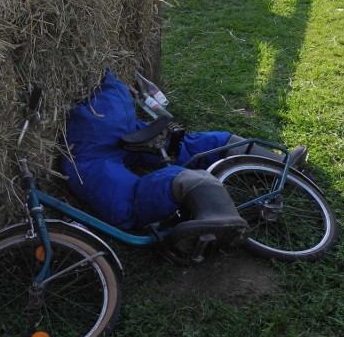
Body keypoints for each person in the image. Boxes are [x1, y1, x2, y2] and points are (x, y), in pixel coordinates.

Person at [61, 71, 307, 245]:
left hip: (92, 135)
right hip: (115, 105)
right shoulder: (94, 65)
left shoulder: (85, 155)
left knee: (129, 199)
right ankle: (277, 162)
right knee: (186, 145)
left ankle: (198, 193)